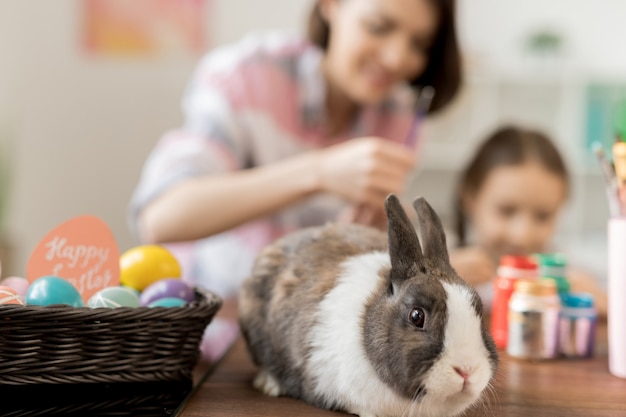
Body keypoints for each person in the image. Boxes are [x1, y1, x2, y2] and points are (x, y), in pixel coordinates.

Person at [129, 0, 461, 359]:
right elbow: (160, 217)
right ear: (330, 6)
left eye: (420, 45)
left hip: (303, 345)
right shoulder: (245, 75)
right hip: (203, 341)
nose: (398, 59)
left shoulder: (399, 110)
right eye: (379, 26)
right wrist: (318, 172)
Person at [449, 125, 608, 316]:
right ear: (470, 198)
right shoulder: (441, 269)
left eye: (543, 216)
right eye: (506, 211)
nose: (522, 236)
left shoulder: (575, 281)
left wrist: (607, 307)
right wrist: (429, 284)